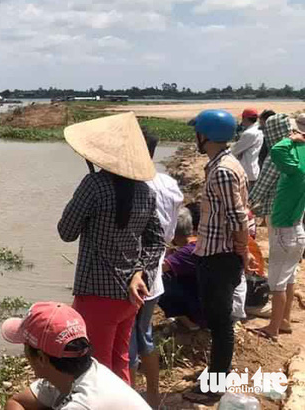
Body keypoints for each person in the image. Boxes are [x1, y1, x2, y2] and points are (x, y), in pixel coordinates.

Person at [58, 112, 165, 384]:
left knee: (96, 370)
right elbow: (156, 240)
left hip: (96, 292)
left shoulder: (94, 185)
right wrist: (140, 273)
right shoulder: (146, 192)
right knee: (120, 362)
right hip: (130, 294)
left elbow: (66, 231)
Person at [185, 110, 257, 403]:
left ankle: (215, 386)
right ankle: (215, 372)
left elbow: (237, 217)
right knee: (218, 321)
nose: (195, 138)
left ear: (206, 136)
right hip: (215, 254)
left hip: (219, 256)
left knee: (220, 323)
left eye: (197, 133)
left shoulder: (223, 171)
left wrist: (243, 252)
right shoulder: (222, 165)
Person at [2, 302, 151, 410]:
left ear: (41, 358)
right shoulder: (74, 373)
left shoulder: (84, 403)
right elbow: (16, 403)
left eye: (25, 346)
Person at [129, 129, 183, 407]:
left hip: (132, 276)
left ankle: (129, 399)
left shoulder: (133, 186)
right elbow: (169, 235)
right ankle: (151, 395)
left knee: (127, 338)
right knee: (144, 332)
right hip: (156, 272)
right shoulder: (169, 184)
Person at [251, 114, 305, 341]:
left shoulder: (286, 162)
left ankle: (273, 328)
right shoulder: (301, 160)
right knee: (289, 277)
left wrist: (291, 139)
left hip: (283, 229)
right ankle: (283, 320)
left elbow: (274, 154)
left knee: (277, 282)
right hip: (298, 227)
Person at [158, 206, 204, 330]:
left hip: (200, 310)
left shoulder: (186, 252)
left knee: (158, 281)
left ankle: (190, 322)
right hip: (209, 303)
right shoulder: (198, 243)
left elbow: (159, 268)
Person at [231, 108, 264, 187]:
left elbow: (234, 151)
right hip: (252, 169)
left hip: (246, 171)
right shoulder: (258, 130)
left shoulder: (249, 133)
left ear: (245, 119)